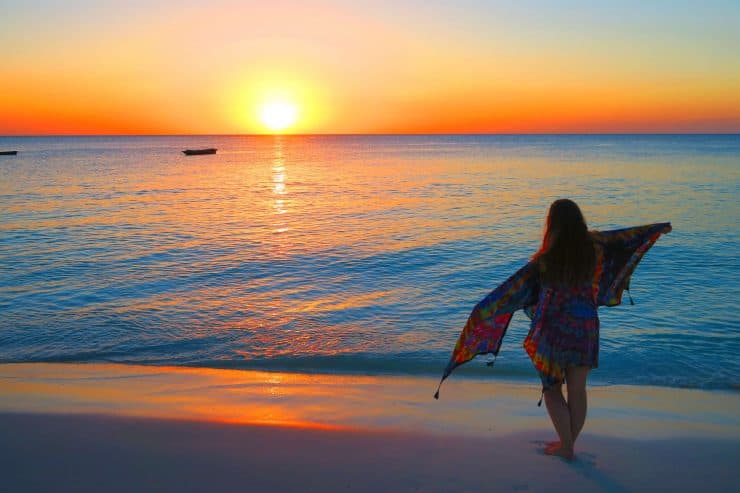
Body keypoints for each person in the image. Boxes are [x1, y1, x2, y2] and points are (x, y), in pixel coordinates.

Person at [434, 199, 672, 461]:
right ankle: (568, 443)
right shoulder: (596, 248)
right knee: (578, 390)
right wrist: (655, 229)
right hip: (585, 328)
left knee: (552, 388)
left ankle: (566, 446)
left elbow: (510, 292)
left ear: (552, 225)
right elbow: (625, 239)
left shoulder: (544, 260)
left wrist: (481, 311)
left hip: (552, 331)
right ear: (579, 221)